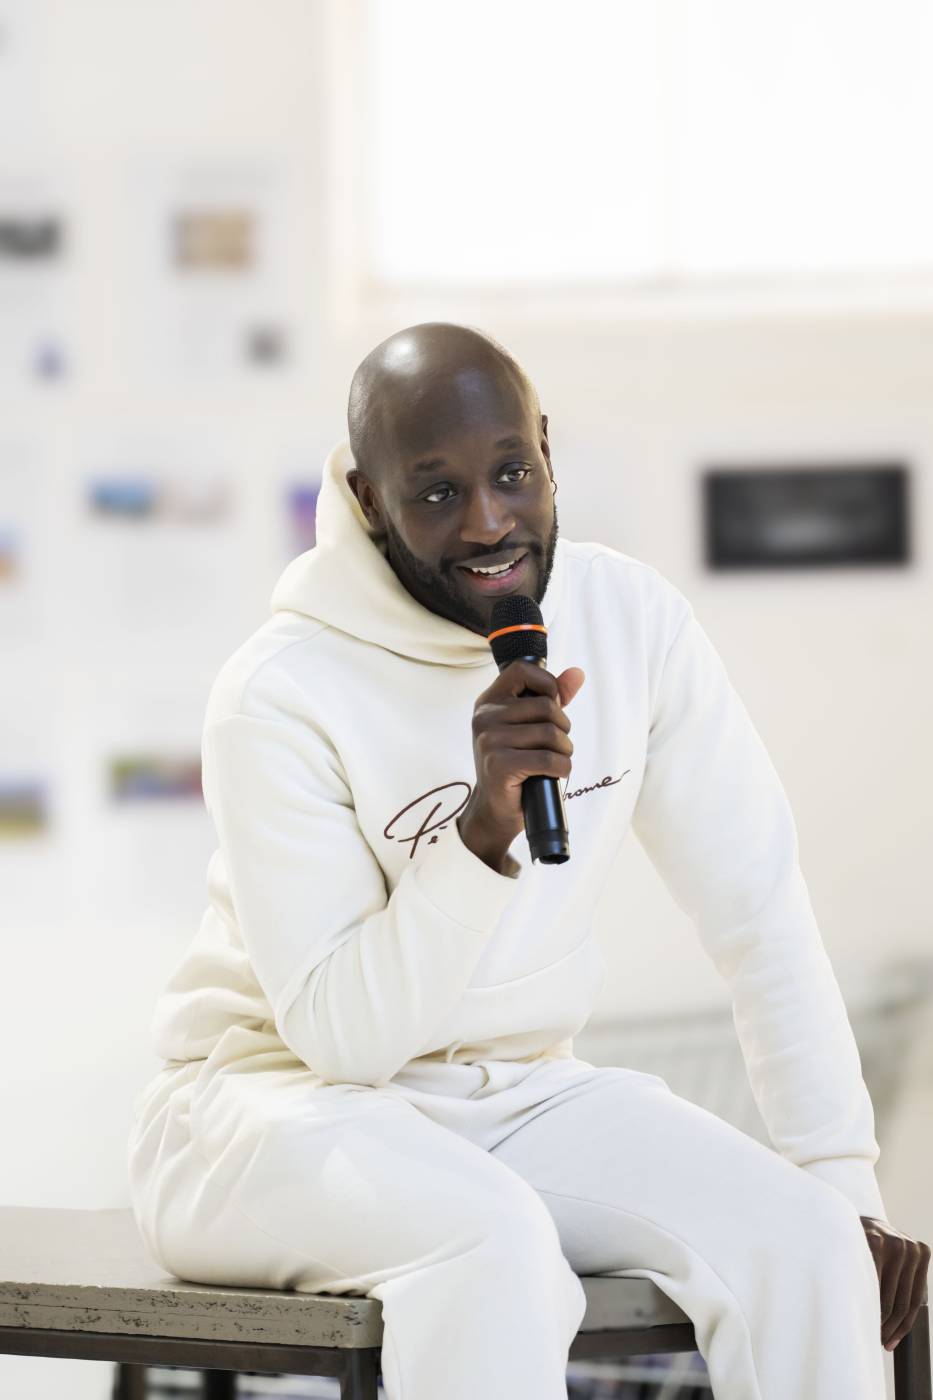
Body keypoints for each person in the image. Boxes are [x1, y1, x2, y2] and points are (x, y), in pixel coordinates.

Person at [127, 321, 928, 1400]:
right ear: (368, 500)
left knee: (810, 1245)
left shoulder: (631, 619)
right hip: (267, 1113)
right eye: (437, 491)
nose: (488, 520)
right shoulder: (279, 691)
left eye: (511, 472)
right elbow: (343, 1041)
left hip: (518, 1093)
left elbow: (759, 911)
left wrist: (840, 1183)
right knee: (494, 1247)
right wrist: (479, 834)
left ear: (546, 450)